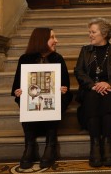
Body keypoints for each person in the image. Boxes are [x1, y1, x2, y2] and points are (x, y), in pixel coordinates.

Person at [11, 28, 73, 169]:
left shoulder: (58, 58)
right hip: (33, 98)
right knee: (24, 100)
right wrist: (18, 91)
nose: (56, 40)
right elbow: (16, 87)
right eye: (52, 37)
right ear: (41, 40)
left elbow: (66, 87)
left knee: (58, 99)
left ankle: (50, 144)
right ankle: (29, 146)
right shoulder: (25, 59)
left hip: (53, 101)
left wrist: (62, 90)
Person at [74, 17, 111, 167]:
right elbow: (79, 72)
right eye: (90, 32)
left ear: (104, 34)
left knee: (109, 95)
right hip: (90, 90)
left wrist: (109, 83)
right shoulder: (85, 51)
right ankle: (95, 144)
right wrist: (92, 85)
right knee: (93, 95)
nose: (90, 35)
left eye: (93, 32)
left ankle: (107, 143)